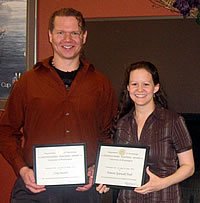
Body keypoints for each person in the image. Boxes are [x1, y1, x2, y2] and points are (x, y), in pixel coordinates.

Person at [0, 8, 117, 203]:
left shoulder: (100, 83)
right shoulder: (28, 82)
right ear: (50, 36)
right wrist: (22, 169)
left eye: (74, 33)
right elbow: (5, 131)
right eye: (60, 32)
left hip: (85, 191)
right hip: (36, 187)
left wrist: (98, 167)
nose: (67, 39)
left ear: (84, 36)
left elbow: (110, 133)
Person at [96, 61, 194, 202]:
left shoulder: (173, 121)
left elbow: (189, 167)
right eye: (134, 84)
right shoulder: (122, 123)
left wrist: (162, 183)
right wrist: (108, 180)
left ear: (156, 87)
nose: (139, 89)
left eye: (146, 84)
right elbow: (120, 164)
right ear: (128, 88)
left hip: (164, 197)